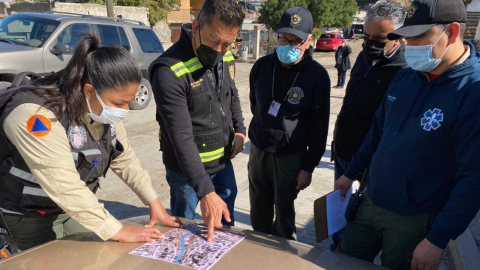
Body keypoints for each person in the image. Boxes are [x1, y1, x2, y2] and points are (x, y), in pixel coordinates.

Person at [0, 33, 181, 252]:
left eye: (128, 103)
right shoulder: (35, 115)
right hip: (25, 216)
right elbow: (64, 185)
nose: (125, 110)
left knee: (95, 255)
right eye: (120, 103)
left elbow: (124, 158)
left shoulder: (100, 108)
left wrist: (154, 203)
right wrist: (118, 230)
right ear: (89, 90)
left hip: (68, 210)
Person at [335, 0, 480, 269]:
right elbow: (378, 133)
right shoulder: (407, 75)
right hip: (371, 200)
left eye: (419, 38)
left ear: (453, 32)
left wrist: (437, 239)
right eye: (407, 38)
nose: (409, 47)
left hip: (413, 218)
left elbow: (473, 178)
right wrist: (350, 173)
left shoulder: (472, 92)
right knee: (342, 261)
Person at [150, 0, 246, 242]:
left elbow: (231, 94)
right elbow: (180, 136)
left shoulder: (225, 55)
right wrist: (205, 191)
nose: (220, 49)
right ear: (195, 26)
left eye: (228, 43)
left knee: (222, 233)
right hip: (187, 174)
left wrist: (240, 130)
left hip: (222, 165)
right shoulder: (168, 70)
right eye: (214, 40)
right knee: (184, 234)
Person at [248, 7, 330, 240]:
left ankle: (280, 257)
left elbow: (319, 127)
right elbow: (256, 106)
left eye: (296, 41)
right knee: (258, 212)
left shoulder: (317, 76)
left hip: (289, 157)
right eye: (284, 39)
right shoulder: (261, 67)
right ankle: (256, 254)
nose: (289, 46)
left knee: (284, 216)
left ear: (309, 40)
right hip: (259, 152)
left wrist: (308, 167)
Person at [331, 0, 407, 251]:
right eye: (367, 35)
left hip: (368, 165)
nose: (370, 43)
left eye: (380, 38)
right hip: (342, 151)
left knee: (358, 228)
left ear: (399, 37)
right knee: (339, 218)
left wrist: (359, 168)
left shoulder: (404, 72)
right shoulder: (364, 57)